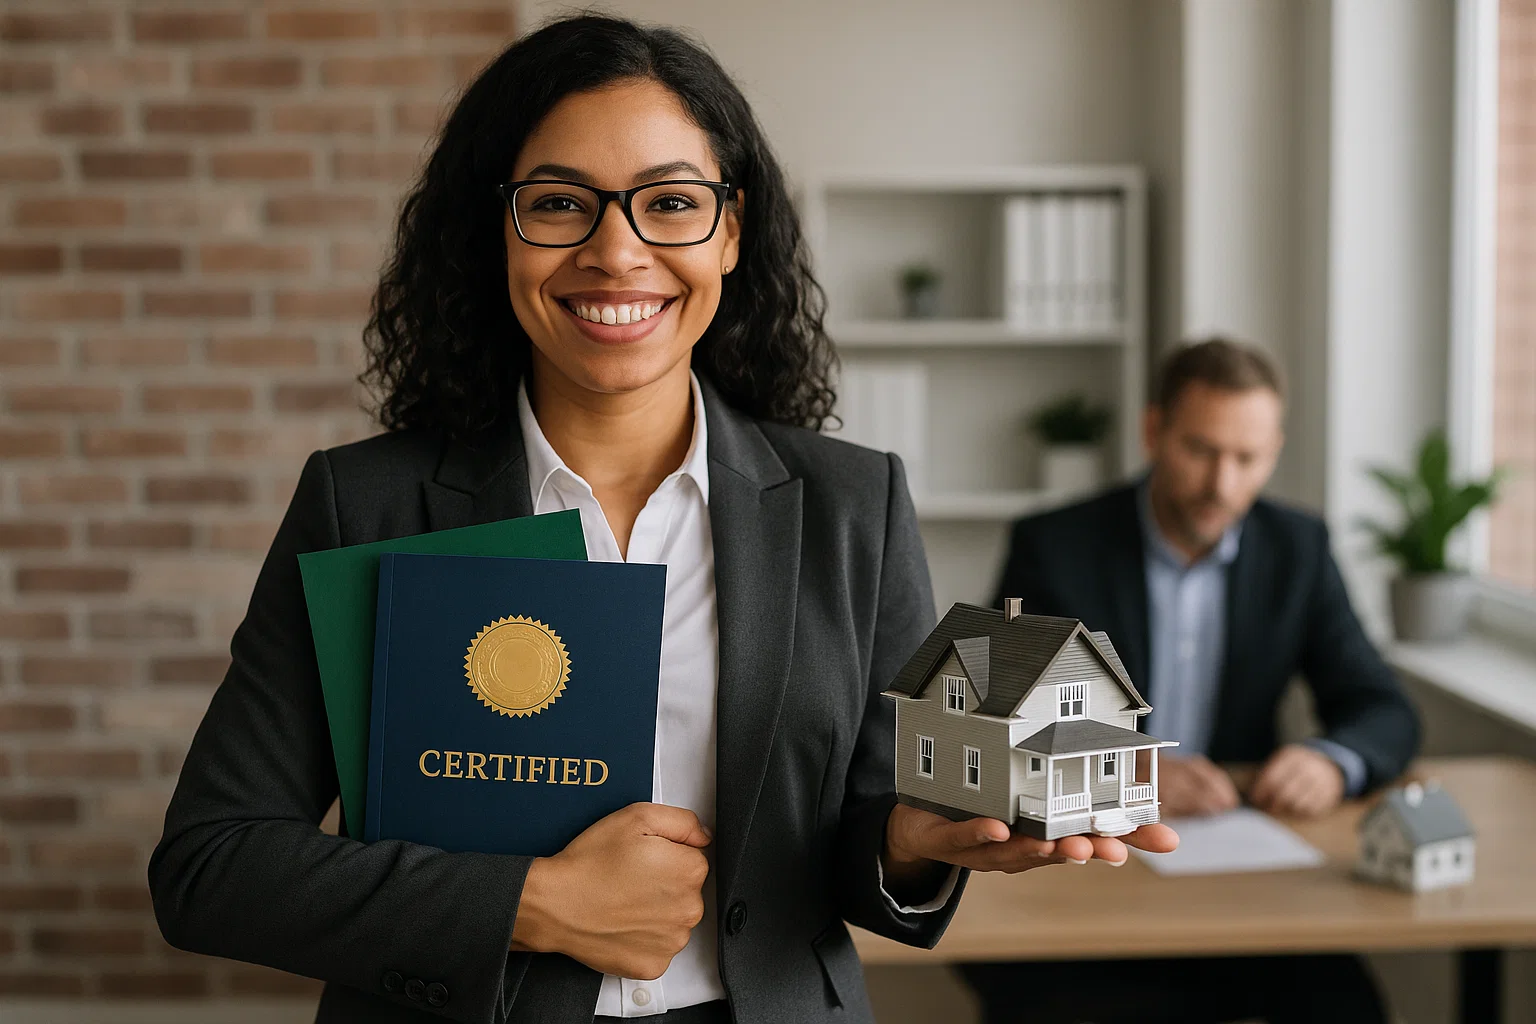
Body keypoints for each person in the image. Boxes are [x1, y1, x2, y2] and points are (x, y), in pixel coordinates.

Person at [148, 17, 1175, 1024]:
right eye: (559, 203)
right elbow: (211, 864)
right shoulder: (366, 504)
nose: (615, 250)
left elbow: (864, 834)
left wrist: (913, 840)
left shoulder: (853, 503)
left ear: (730, 231)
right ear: (494, 228)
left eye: (670, 202)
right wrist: (536, 903)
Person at [962, 337, 1421, 1024]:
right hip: (1084, 875)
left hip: (1243, 884)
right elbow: (996, 725)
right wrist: (1128, 772)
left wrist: (1332, 759)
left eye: (1248, 458)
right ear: (1154, 432)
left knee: (1350, 1006)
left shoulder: (1297, 549)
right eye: (1201, 450)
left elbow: (1380, 706)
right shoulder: (1055, 545)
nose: (1223, 484)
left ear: (1275, 449)